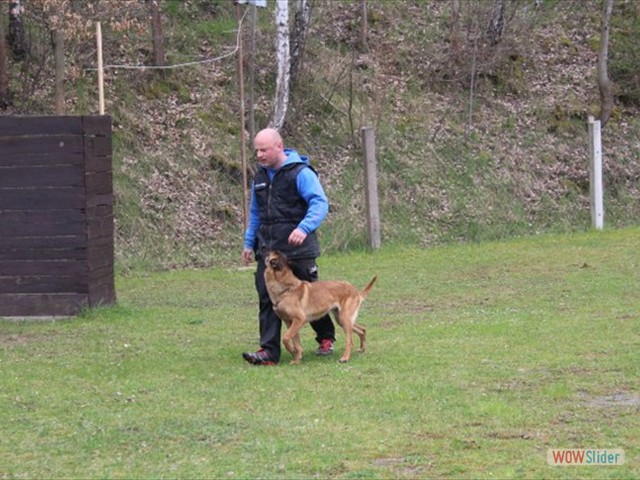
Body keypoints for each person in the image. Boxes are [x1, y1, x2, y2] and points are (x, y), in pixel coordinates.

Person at [242, 128, 336, 366]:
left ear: (279, 146)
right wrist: (249, 242)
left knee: (311, 295)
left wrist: (303, 228)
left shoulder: (301, 173)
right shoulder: (259, 177)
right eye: (257, 151)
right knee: (267, 298)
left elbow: (319, 203)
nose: (259, 155)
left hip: (298, 250)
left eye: (264, 150)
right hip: (269, 249)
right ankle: (268, 352)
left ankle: (326, 337)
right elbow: (255, 213)